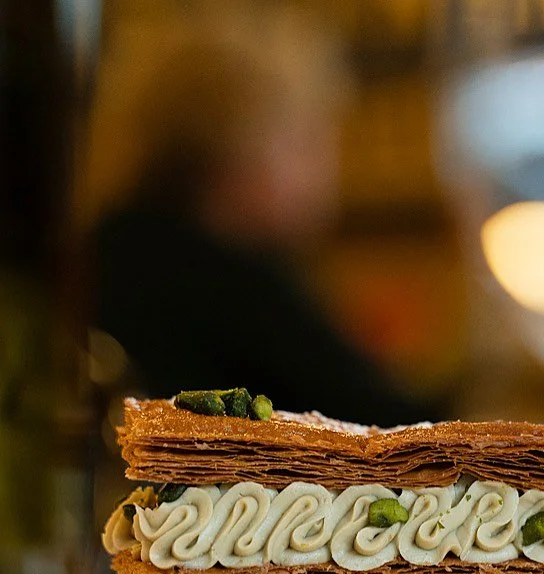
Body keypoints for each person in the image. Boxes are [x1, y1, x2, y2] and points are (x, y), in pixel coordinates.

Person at [83, 10, 440, 425]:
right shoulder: (235, 284)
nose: (327, 169)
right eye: (305, 140)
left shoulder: (101, 251)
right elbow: (395, 422)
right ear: (232, 144)